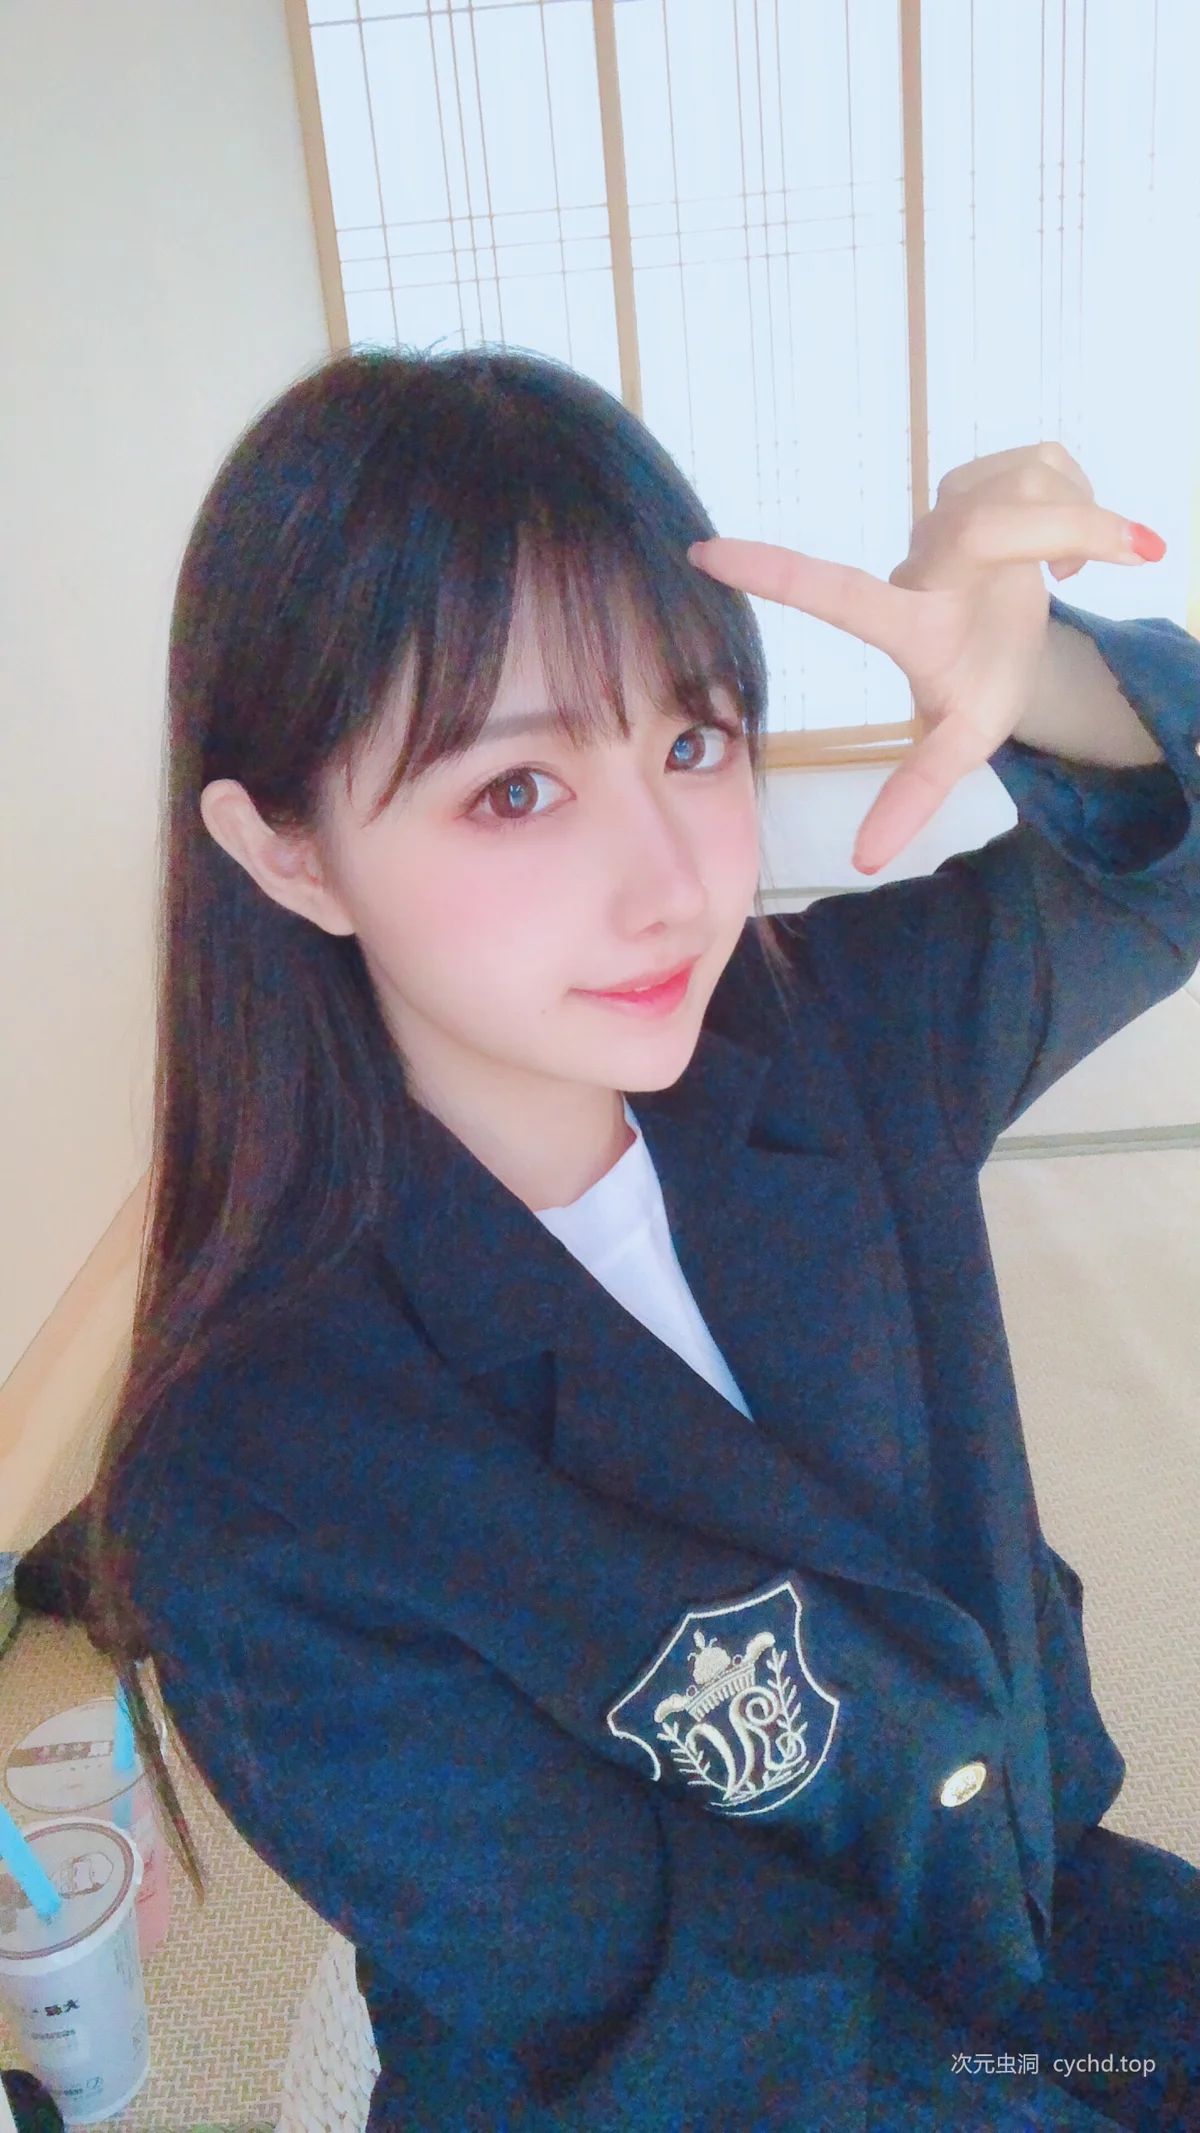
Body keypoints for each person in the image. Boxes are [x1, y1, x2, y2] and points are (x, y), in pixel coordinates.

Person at [35, 347, 1200, 2127]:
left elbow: (1163, 866)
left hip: (1042, 1923)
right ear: (289, 856)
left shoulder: (832, 1035)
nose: (674, 884)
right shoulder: (258, 1492)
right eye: (515, 790)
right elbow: (717, 2045)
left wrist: (1041, 678)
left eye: (692, 741)